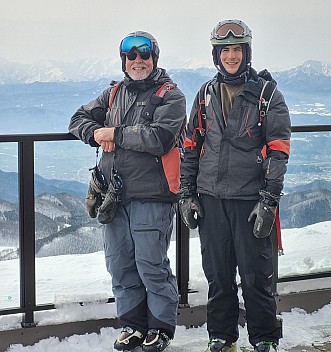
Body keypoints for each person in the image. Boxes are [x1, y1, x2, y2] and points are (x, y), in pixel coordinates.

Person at [69, 31, 187, 352]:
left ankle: (160, 329)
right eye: (131, 56)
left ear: (154, 58)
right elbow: (77, 119)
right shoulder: (113, 94)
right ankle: (133, 326)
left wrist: (114, 133)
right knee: (120, 264)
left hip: (153, 194)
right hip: (114, 196)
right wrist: (96, 133)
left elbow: (159, 138)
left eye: (144, 54)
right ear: (124, 60)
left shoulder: (171, 96)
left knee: (151, 264)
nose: (138, 61)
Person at [179, 19, 291, 352]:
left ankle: (264, 337)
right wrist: (187, 195)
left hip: (249, 199)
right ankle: (221, 336)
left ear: (247, 53)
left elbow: (279, 150)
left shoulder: (268, 95)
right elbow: (190, 147)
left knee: (256, 277)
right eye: (225, 50)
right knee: (219, 276)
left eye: (237, 50)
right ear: (217, 55)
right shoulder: (205, 94)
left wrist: (269, 200)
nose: (231, 56)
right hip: (211, 198)